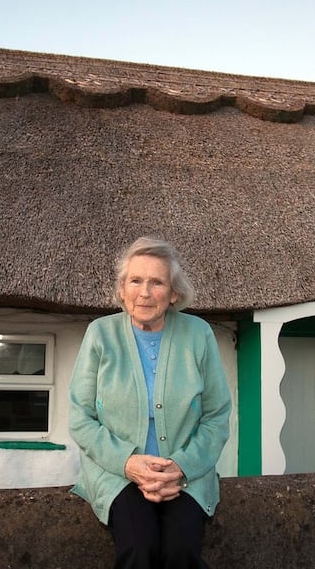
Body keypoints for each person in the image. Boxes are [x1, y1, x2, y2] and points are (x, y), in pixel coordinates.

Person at [69, 236, 232, 569]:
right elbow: (80, 417)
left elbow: (217, 415)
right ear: (122, 289)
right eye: (135, 280)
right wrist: (128, 464)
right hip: (117, 471)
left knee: (182, 550)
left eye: (156, 282)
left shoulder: (198, 335)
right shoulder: (100, 334)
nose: (144, 292)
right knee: (139, 547)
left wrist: (182, 466)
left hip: (184, 471)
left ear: (173, 294)